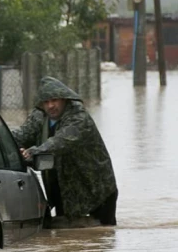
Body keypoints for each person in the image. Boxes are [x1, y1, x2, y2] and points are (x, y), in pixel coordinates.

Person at [11, 76, 118, 227]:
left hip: (96, 191)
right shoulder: (40, 116)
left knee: (100, 238)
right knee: (65, 241)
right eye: (46, 102)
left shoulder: (79, 118)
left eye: (55, 100)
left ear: (65, 99)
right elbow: (22, 135)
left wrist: (34, 152)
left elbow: (61, 141)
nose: (51, 106)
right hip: (64, 191)